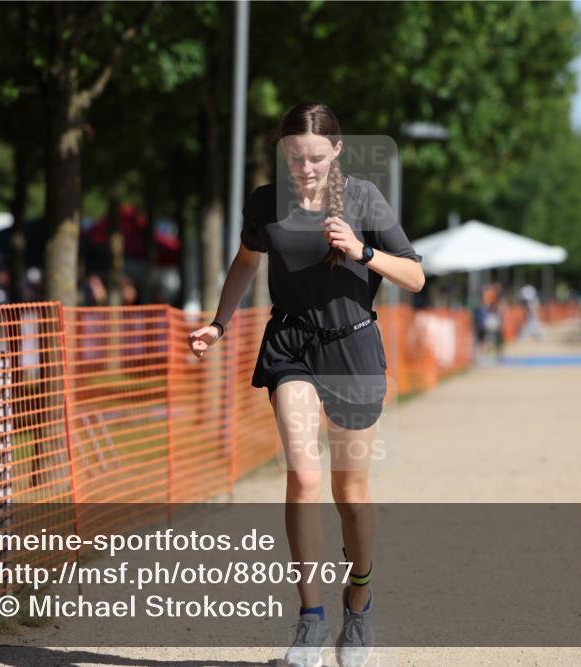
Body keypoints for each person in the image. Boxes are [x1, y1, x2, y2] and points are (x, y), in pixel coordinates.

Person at [186, 101, 424, 667]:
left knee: (352, 497)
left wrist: (365, 251)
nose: (306, 168)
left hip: (355, 347)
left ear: (337, 151)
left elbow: (415, 274)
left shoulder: (363, 197)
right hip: (291, 345)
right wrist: (219, 323)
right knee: (303, 473)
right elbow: (246, 263)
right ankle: (311, 620)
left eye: (316, 157)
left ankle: (358, 603)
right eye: (294, 158)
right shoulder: (266, 203)